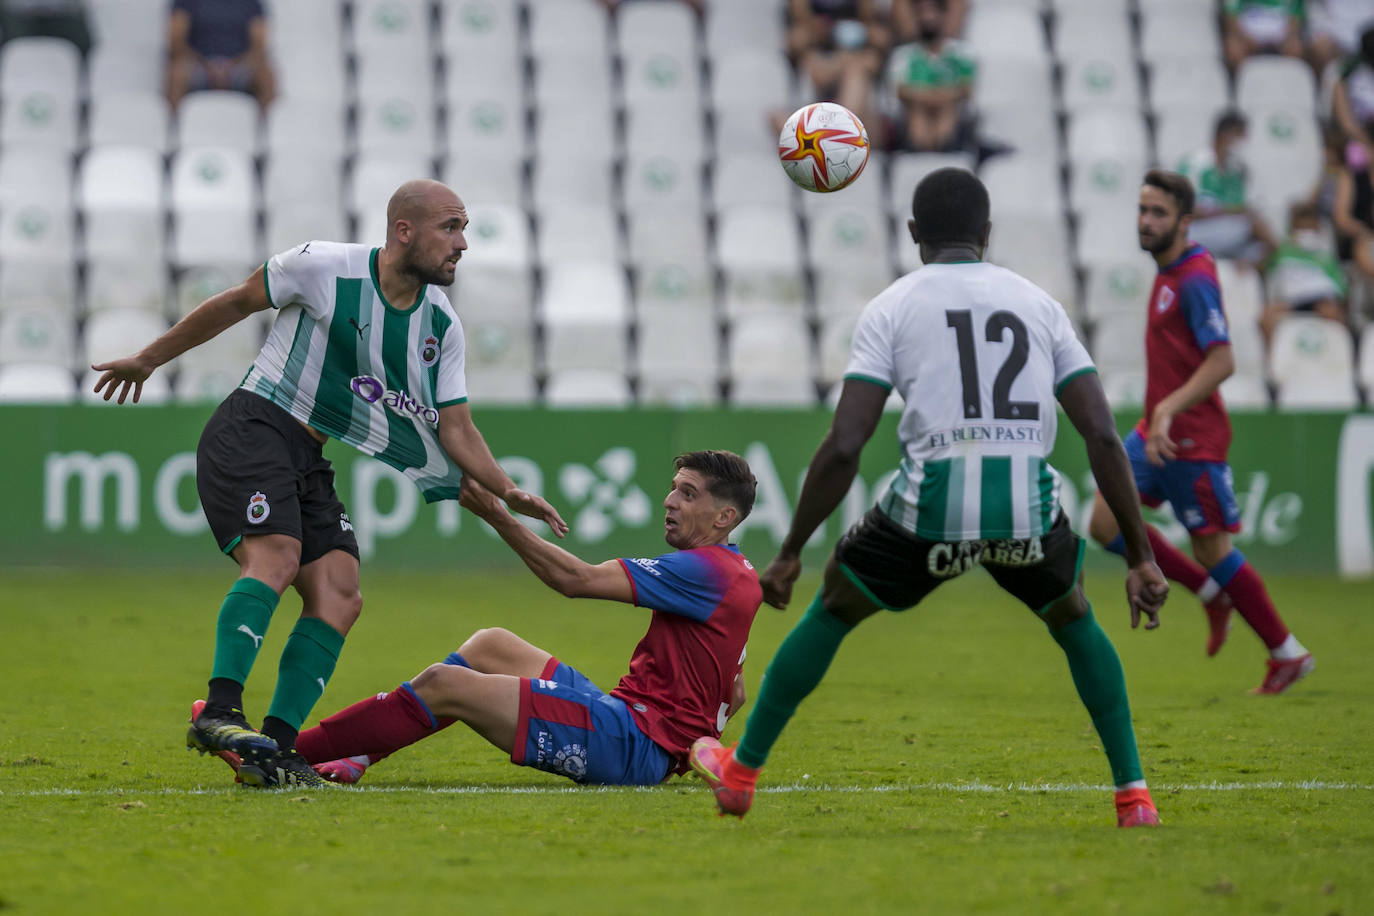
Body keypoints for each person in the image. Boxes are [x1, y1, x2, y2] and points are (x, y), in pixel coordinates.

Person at [690, 168, 1170, 827]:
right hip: (1027, 510)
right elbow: (1101, 434)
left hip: (932, 510)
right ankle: (1134, 795)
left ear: (914, 233)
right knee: (1075, 618)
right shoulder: (1039, 305)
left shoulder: (894, 307)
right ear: (987, 233)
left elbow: (846, 442)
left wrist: (791, 551)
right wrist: (1141, 556)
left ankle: (741, 775)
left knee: (834, 603)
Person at [91, 179, 568, 788]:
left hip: (310, 455)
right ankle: (219, 710)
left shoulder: (440, 327)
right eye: (451, 228)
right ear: (404, 231)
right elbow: (237, 302)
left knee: (341, 593)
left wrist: (505, 488)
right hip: (256, 422)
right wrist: (149, 359)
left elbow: (456, 428)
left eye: (465, 229)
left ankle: (275, 750)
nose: (463, 244)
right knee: (278, 555)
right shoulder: (322, 266)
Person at [266, 451, 761, 788]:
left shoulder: (706, 570)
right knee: (491, 644)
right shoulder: (736, 573)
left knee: (444, 683)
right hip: (636, 725)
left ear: (724, 518)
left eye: (689, 494)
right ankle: (358, 756)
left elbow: (577, 580)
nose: (670, 501)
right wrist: (692, 740)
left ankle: (277, 753)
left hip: (633, 743)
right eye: (674, 489)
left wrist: (498, 516)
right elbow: (733, 693)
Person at [1087, 169, 1314, 693]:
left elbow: (1224, 360)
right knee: (1104, 523)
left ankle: (1288, 652)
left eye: (1158, 213)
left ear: (1185, 223)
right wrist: (1159, 415)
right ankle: (1212, 596)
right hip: (1155, 433)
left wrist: (1168, 407)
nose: (1145, 221)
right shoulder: (1170, 271)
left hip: (1192, 440)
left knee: (1213, 551)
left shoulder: (1193, 280)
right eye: (1142, 210)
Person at [1176, 110, 1280, 267]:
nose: (1243, 142)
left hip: (1226, 232)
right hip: (1195, 231)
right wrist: (1229, 211)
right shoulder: (1194, 165)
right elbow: (1185, 209)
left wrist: (1238, 212)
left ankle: (1245, 274)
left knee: (1264, 246)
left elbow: (1242, 209)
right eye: (1240, 136)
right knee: (1258, 228)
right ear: (1223, 135)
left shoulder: (1236, 170)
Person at [886, 0, 977, 154]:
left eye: (933, 12)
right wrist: (937, 96)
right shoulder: (903, 55)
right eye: (921, 13)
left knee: (947, 108)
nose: (928, 17)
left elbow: (966, 89)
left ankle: (945, 149)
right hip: (914, 112)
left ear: (944, 16)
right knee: (918, 111)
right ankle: (920, 151)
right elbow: (901, 91)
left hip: (951, 111)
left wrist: (928, 96)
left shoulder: (962, 53)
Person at [1260, 200, 1349, 348]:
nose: (1305, 233)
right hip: (1292, 301)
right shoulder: (1282, 251)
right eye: (1300, 229)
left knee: (1332, 313)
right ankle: (1273, 362)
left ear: (1317, 228)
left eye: (1309, 229)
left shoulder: (1326, 257)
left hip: (1319, 300)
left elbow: (1341, 289)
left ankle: (1338, 358)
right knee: (1267, 317)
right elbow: (1264, 268)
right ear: (1292, 228)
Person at [165, 0, 277, 111]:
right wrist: (206, 65)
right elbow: (176, 42)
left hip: (238, 66)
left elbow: (258, 46)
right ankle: (173, 126)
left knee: (266, 76)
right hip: (198, 65)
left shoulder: (250, 3)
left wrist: (232, 65)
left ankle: (268, 127)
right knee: (177, 75)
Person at [1222, 0, 1305, 72]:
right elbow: (1231, 15)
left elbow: (1296, 16)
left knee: (1295, 49)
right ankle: (1241, 86)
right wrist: (1244, 38)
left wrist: (1286, 39)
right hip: (1247, 37)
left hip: (1281, 39)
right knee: (1233, 49)